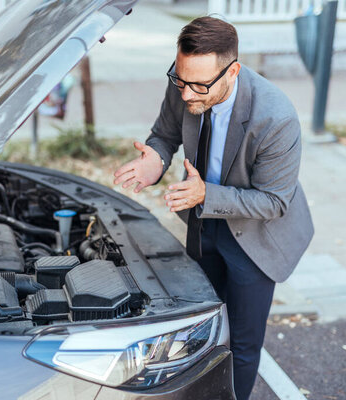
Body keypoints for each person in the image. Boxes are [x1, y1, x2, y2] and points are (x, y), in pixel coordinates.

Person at [113, 16, 314, 400]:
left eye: (200, 85)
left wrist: (206, 195)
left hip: (257, 236)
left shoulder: (276, 117)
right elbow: (165, 134)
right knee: (199, 326)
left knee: (240, 342)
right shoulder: (186, 81)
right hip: (203, 220)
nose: (187, 94)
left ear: (233, 70)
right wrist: (154, 160)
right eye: (181, 80)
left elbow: (274, 201)